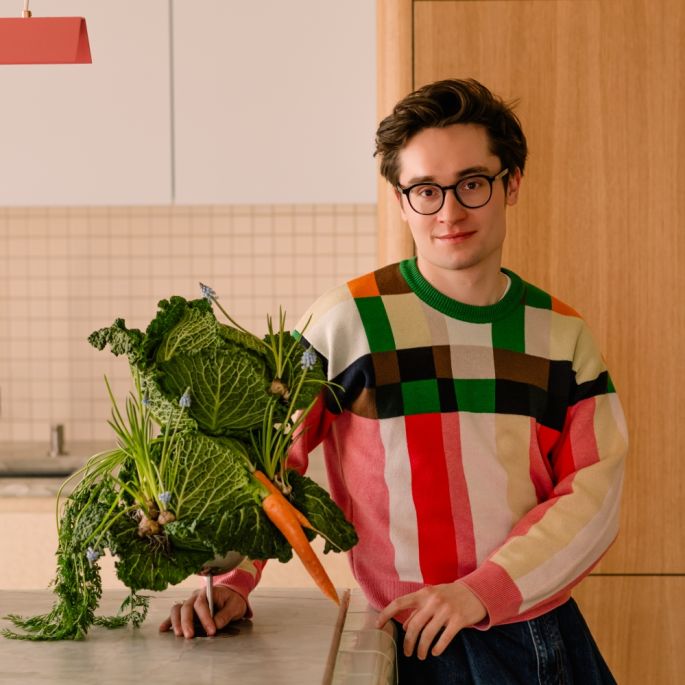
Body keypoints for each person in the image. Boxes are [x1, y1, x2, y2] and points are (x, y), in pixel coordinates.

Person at [160, 78, 627, 684]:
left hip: (536, 636)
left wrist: (481, 590)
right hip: (406, 640)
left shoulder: (562, 336)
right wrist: (233, 579)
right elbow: (267, 465)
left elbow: (595, 494)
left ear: (511, 183)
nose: (450, 212)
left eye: (473, 184)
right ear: (402, 200)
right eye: (425, 190)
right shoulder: (346, 322)